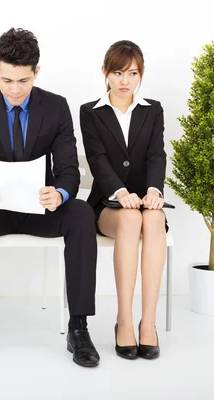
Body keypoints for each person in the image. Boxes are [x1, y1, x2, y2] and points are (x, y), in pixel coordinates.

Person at [0, 28, 100, 368]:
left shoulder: (56, 107)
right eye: (7, 79)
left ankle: (79, 327)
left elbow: (69, 169)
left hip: (41, 209)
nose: (14, 89)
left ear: (36, 73)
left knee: (82, 214)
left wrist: (60, 193)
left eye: (23, 81)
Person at [80, 40, 166, 360]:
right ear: (105, 73)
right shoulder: (90, 112)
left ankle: (149, 323)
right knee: (130, 218)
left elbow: (157, 154)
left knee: (153, 218)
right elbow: (97, 159)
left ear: (140, 74)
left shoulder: (152, 109)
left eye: (132, 73)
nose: (125, 80)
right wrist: (120, 192)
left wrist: (154, 191)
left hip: (147, 202)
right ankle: (125, 321)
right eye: (117, 72)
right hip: (108, 203)